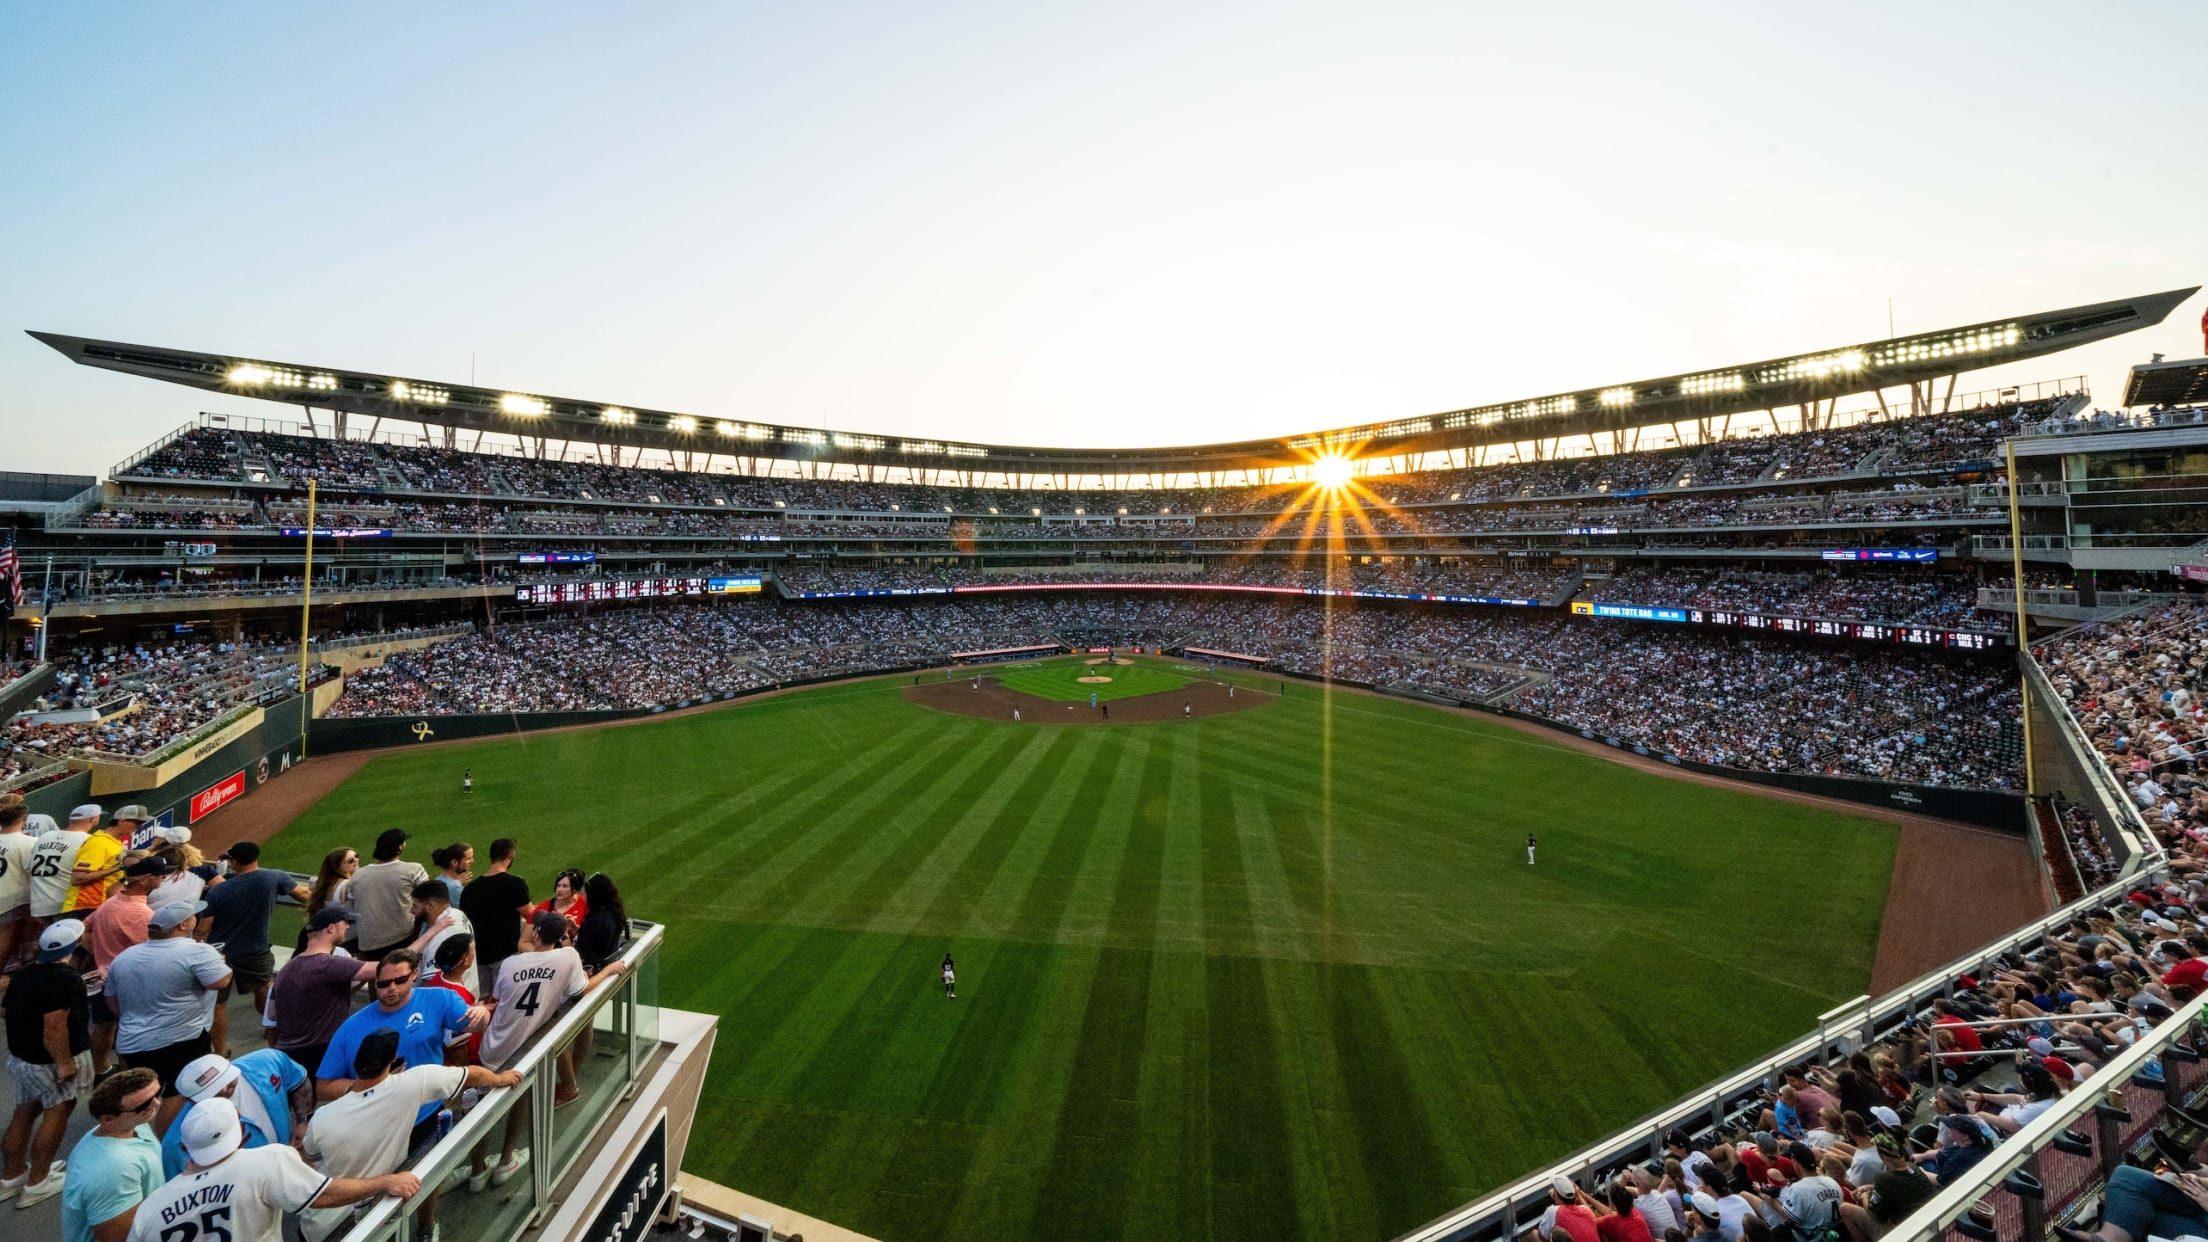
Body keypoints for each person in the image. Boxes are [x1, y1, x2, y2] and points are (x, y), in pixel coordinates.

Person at [302, 1028, 520, 1242]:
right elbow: (472, 1074)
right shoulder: (412, 1083)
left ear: (355, 1066)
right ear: (393, 1060)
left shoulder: (322, 1117)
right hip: (373, 1218)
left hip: (320, 1224)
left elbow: (311, 1156)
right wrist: (499, 1079)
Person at [123, 1096, 421, 1242]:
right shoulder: (265, 1160)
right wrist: (384, 1182)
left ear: (185, 1147)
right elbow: (324, 1196)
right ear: (239, 1130)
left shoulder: (150, 1210)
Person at [473, 912, 626, 1186]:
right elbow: (582, 989)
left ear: (535, 934)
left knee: (483, 1115)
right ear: (562, 937)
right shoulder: (568, 957)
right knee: (519, 1102)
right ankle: (506, 1160)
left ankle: (476, 1172)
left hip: (493, 1048)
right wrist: (607, 971)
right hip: (525, 1049)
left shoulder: (511, 963)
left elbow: (497, 1000)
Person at [316, 950, 486, 1129]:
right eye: (383, 984)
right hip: (378, 1125)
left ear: (414, 975)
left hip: (428, 1113)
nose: (392, 988)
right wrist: (369, 1085)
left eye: (400, 981)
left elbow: (476, 1025)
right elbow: (324, 1088)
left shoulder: (439, 999)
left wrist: (482, 1014)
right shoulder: (350, 1028)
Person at [106, 902, 231, 1136]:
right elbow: (221, 981)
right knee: (178, 1093)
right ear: (182, 924)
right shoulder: (196, 950)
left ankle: (138, 1144)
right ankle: (166, 1149)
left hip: (131, 1041)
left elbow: (112, 1001)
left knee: (140, 1099)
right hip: (181, 1039)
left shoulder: (125, 957)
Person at [1, 920, 93, 1207]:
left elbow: (5, 1011)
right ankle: (38, 1181)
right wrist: (64, 1063)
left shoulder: (24, 973)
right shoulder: (66, 979)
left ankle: (12, 1176)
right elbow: (54, 1027)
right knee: (57, 1113)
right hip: (50, 1062)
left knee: (24, 1113)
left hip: (22, 1058)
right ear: (75, 944)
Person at [199, 842, 307, 1058]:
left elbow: (204, 930)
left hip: (219, 954)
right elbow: (305, 895)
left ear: (235, 862)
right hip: (256, 950)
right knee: (264, 989)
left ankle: (220, 1052)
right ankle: (272, 1028)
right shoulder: (274, 876)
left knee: (218, 1004)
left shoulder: (218, 891)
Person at [159, 1049, 310, 1179]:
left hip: (289, 1165)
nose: (224, 1089)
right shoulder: (176, 1144)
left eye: (226, 1080)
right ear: (188, 1100)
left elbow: (297, 1079)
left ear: (228, 1062)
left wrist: (303, 1121)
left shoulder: (267, 1062)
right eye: (212, 1091)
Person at [83, 856, 171, 1077]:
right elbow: (154, 952)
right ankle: (127, 1077)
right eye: (160, 875)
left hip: (103, 976)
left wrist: (98, 952)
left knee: (104, 1026)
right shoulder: (142, 915)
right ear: (145, 880)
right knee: (130, 1031)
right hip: (129, 982)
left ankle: (101, 1070)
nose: (163, 877)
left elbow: (85, 929)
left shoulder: (111, 902)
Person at [267, 907, 374, 1079]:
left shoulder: (287, 969)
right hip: (319, 1051)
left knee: (297, 1103)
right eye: (345, 923)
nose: (347, 927)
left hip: (287, 1051)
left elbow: (272, 1014)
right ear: (331, 928)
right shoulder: (328, 965)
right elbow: (388, 969)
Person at [58, 1067, 163, 1242]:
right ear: (108, 1119)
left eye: (158, 1094)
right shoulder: (113, 1169)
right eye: (144, 1106)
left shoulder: (133, 1124)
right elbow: (122, 1238)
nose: (157, 1104)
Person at [459, 838, 530, 996]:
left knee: (483, 1003)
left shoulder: (469, 889)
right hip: (506, 955)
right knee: (505, 1000)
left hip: (478, 958)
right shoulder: (514, 883)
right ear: (510, 857)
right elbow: (530, 914)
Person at [350, 829, 427, 962]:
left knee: (376, 977)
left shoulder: (357, 875)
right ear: (400, 846)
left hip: (368, 943)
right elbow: (429, 897)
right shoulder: (413, 869)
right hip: (403, 938)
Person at [66, 806, 147, 915]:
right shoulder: (99, 843)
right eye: (137, 823)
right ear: (122, 821)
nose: (140, 827)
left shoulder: (113, 842)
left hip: (100, 905)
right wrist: (120, 867)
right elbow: (78, 878)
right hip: (85, 906)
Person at [27, 805, 99, 925]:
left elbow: (29, 867)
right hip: (65, 904)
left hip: (39, 904)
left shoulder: (45, 836)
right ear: (93, 819)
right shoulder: (89, 840)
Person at [0, 796, 38, 994]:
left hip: (8, 894)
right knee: (7, 939)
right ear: (23, 819)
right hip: (14, 898)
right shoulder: (30, 842)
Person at [574, 874, 629, 975]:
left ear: (593, 896)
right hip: (603, 965)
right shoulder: (613, 913)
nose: (583, 895)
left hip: (591, 972)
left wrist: (563, 936)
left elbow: (577, 955)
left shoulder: (594, 920)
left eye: (586, 893)